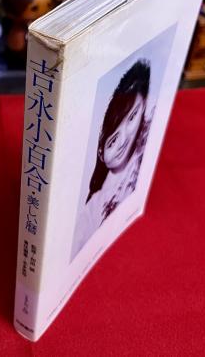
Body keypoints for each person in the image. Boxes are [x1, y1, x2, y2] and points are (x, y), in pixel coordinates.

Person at [71, 60, 151, 259]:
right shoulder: (92, 209)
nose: (123, 140)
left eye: (132, 118)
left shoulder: (143, 150)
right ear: (100, 152)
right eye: (113, 141)